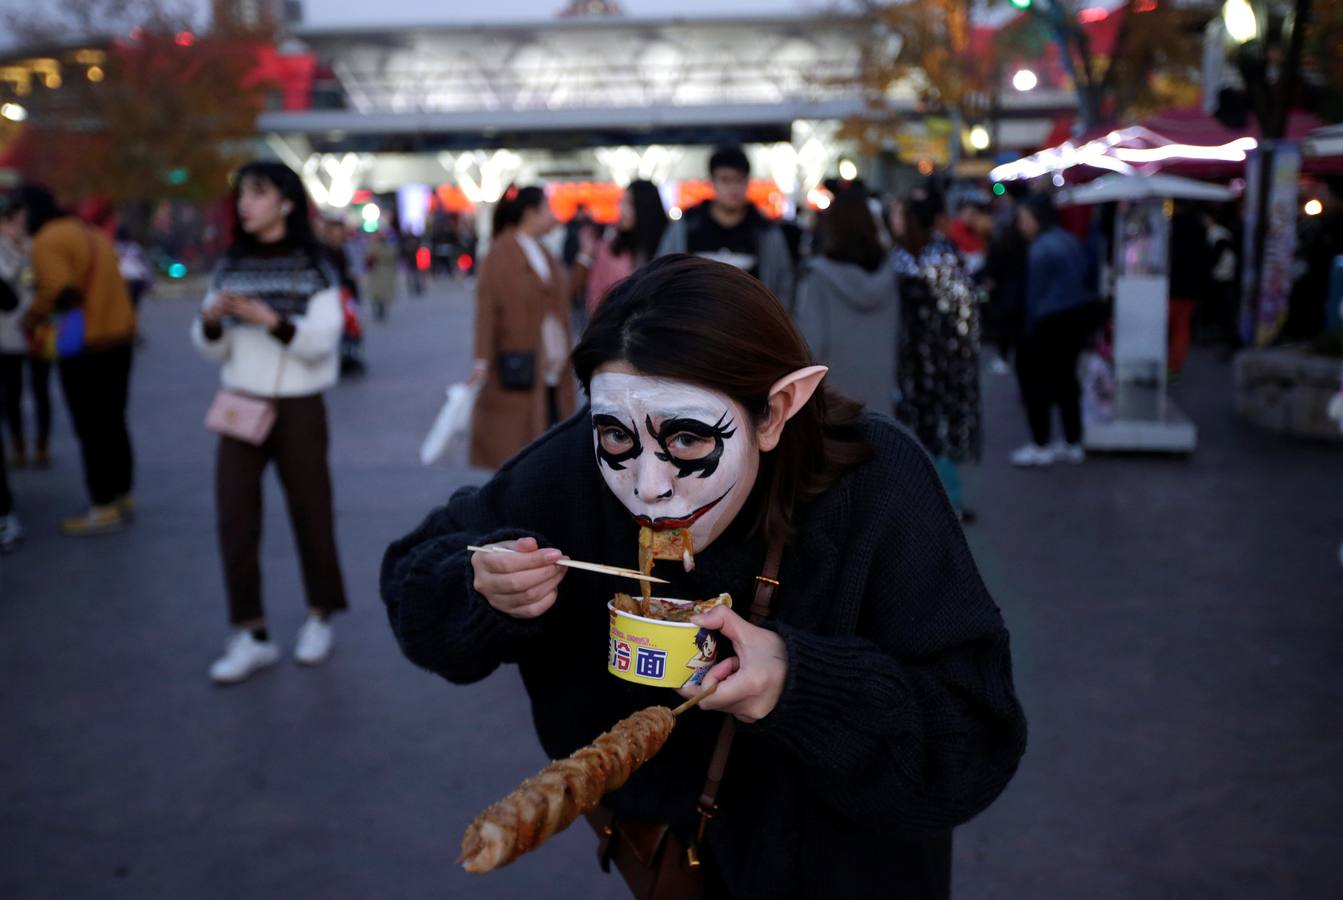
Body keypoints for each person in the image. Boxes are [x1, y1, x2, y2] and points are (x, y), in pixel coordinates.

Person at [381, 255, 1026, 899]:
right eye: (617, 439)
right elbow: (412, 580)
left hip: (852, 873)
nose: (648, 487)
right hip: (671, 869)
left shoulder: (878, 486)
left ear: (775, 412)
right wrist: (482, 588)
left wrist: (797, 683)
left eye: (688, 441)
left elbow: (974, 741)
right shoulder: (577, 467)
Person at [191, 161, 349, 685]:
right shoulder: (229, 262)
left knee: (311, 511)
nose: (245, 204)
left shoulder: (317, 263)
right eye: (242, 195)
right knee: (233, 516)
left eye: (257, 194)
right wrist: (212, 323)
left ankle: (320, 616)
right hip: (240, 399)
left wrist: (271, 320)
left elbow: (323, 341)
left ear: (285, 200)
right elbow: (210, 347)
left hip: (300, 405)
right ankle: (251, 632)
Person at [18, 184, 136, 535]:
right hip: (120, 337)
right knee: (114, 420)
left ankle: (101, 505)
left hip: (85, 344)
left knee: (91, 426)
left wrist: (33, 316)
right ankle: (121, 494)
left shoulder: (48, 241)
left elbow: (59, 289)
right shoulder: (91, 232)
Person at [888, 191, 983, 523]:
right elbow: (965, 310)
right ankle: (946, 502)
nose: (894, 220)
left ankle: (929, 502)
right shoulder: (940, 254)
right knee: (936, 430)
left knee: (920, 428)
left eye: (900, 215)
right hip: (941, 360)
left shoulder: (902, 258)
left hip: (916, 360)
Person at [469, 185, 576, 470]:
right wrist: (481, 360)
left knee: (550, 433)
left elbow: (562, 296)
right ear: (531, 213)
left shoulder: (541, 251)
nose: (552, 216)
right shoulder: (500, 253)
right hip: (520, 364)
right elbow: (487, 313)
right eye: (547, 209)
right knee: (520, 444)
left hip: (552, 364)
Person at [794, 187, 899, 414]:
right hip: (883, 394)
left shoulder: (819, 276)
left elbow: (811, 344)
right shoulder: (890, 274)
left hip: (836, 400)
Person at [656, 145, 794, 307]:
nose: (733, 188)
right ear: (711, 181)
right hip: (694, 320)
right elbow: (663, 272)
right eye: (725, 179)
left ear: (747, 181)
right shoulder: (687, 225)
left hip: (750, 321)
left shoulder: (765, 230)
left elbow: (783, 284)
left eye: (739, 180)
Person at [1011, 193, 1092, 467]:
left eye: (1023, 219)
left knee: (1037, 386)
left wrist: (1027, 329)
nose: (1020, 225)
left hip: (1048, 323)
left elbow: (1034, 296)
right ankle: (1073, 441)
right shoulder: (1069, 240)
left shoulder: (1040, 249)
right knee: (1067, 382)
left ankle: (1040, 444)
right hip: (1075, 318)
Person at [0, 195, 52, 470]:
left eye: (21, 221)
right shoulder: (3, 249)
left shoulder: (37, 246)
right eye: (12, 221)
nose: (18, 227)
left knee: (42, 389)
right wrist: (19, 257)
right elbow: (7, 277)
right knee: (12, 393)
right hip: (8, 331)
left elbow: (43, 279)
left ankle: (42, 445)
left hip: (37, 327)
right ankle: (18, 445)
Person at [572, 179, 668, 318]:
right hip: (616, 332)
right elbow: (594, 297)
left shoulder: (668, 246)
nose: (621, 209)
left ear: (645, 207)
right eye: (621, 202)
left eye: (628, 203)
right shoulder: (608, 248)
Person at [1167, 203, 1210, 379]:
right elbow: (1205, 260)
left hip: (1170, 286)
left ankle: (1163, 365)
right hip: (1191, 288)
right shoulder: (1201, 230)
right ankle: (1174, 368)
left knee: (1166, 327)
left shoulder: (1171, 228)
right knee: (1181, 329)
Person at [365, 230, 399, 323]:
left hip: (383, 271)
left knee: (381, 293)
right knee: (377, 293)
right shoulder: (375, 246)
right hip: (378, 272)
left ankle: (381, 309)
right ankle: (379, 309)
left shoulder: (382, 247)